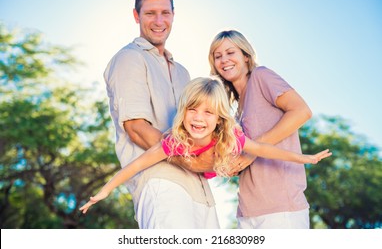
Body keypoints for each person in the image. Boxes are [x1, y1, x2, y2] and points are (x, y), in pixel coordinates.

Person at [80, 77, 331, 214]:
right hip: (202, 164)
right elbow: (135, 166)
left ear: (219, 118)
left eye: (209, 112)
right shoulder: (175, 142)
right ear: (183, 112)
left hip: (225, 156)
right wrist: (105, 190)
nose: (199, 118)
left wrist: (304, 159)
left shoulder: (231, 135)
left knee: (248, 153)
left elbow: (264, 150)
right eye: (192, 110)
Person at [102, 0, 217, 229]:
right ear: (136, 15)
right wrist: (193, 161)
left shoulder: (183, 73)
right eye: (150, 13)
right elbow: (136, 128)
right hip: (160, 183)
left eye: (165, 13)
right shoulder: (129, 58)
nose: (159, 21)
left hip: (201, 192)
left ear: (173, 15)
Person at [209, 30, 318, 229]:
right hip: (247, 212)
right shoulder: (235, 111)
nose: (224, 60)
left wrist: (252, 153)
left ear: (246, 56)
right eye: (218, 56)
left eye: (230, 52)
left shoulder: (261, 76)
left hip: (282, 209)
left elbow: (302, 111)